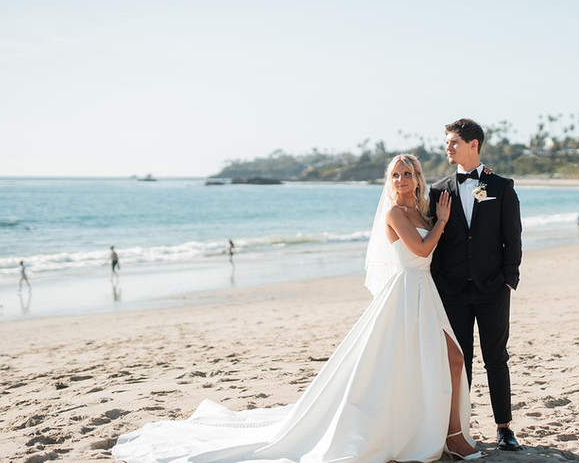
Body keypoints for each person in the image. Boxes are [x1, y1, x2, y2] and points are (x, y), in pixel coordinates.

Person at [112, 154, 484, 462]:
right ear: (390, 181)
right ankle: (445, 436)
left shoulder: (421, 213)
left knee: (449, 361)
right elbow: (420, 251)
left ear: (418, 179)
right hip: (403, 296)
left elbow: (433, 251)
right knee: (422, 364)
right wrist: (444, 223)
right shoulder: (395, 215)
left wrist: (441, 222)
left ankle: (447, 433)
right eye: (395, 174)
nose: (401, 179)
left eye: (407, 173)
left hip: (425, 294)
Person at [429, 118, 524, 452]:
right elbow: (436, 242)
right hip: (452, 290)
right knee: (460, 360)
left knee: (496, 357)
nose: (447, 147)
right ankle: (461, 427)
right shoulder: (438, 190)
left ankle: (504, 427)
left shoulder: (501, 187)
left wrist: (508, 281)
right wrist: (439, 283)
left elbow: (512, 238)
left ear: (473, 144)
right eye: (447, 142)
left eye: (453, 142)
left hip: (492, 288)